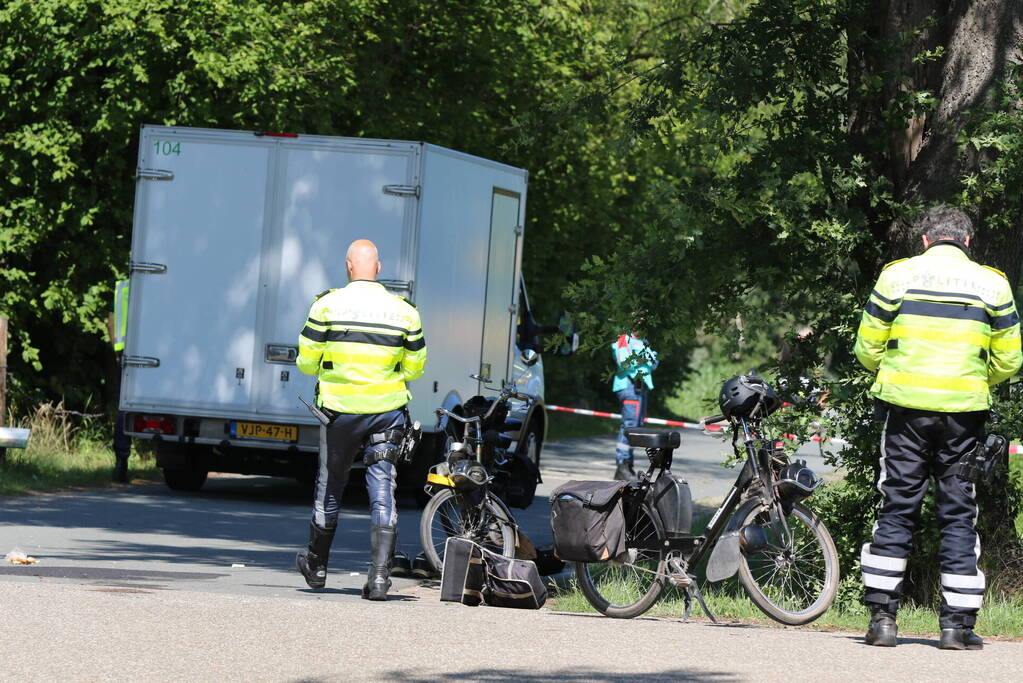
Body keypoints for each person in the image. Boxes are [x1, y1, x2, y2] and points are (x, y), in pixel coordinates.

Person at [853, 206, 1021, 649]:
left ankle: (883, 621)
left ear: (925, 240)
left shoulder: (897, 276)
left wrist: (895, 374)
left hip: (905, 412)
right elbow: (1010, 359)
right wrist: (974, 380)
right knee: (958, 513)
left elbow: (867, 348)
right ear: (967, 241)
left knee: (896, 508)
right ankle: (956, 628)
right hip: (964, 414)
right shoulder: (993, 283)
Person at [294, 239, 427, 601]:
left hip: (339, 412)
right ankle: (380, 577)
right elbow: (415, 368)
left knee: (330, 485)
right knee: (382, 486)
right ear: (378, 268)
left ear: (348, 266)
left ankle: (317, 567)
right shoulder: (405, 312)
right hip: (386, 412)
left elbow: (306, 362)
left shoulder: (325, 306)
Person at [610, 332, 659, 481]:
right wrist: (644, 359)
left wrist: (642, 359)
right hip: (629, 387)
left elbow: (654, 363)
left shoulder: (644, 341)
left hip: (641, 387)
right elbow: (623, 362)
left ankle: (628, 465)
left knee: (636, 427)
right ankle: (622, 465)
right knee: (629, 426)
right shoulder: (624, 339)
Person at [106, 278, 131, 483]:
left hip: (125, 354)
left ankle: (121, 461)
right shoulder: (160, 285)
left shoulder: (123, 287)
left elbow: (111, 321)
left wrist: (116, 351)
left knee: (125, 407)